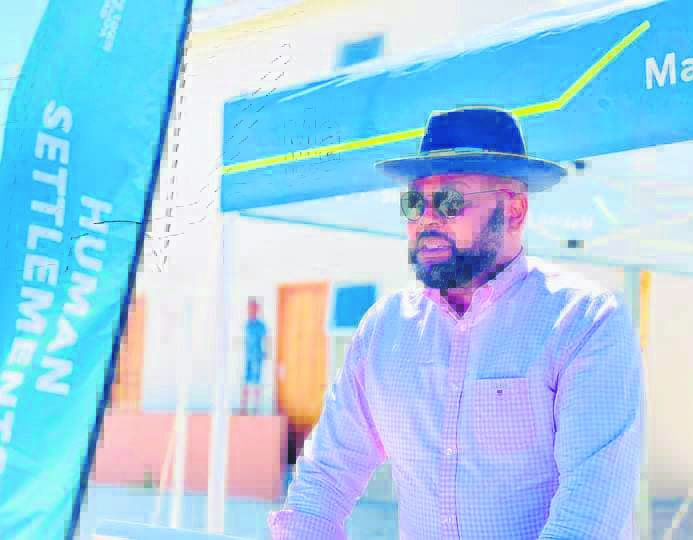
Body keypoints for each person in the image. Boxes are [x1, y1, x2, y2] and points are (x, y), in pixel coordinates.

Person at [268, 107, 644, 539]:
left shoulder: (584, 321)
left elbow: (588, 516)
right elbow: (324, 479)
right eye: (414, 202)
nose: (426, 219)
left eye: (450, 200)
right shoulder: (383, 330)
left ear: (514, 211)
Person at [240, 297, 267, 415]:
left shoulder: (261, 326)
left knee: (256, 382)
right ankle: (243, 408)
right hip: (248, 358)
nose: (250, 310)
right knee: (245, 382)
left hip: (257, 357)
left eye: (253, 308)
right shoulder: (247, 324)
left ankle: (256, 409)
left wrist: (265, 353)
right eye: (249, 308)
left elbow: (265, 341)